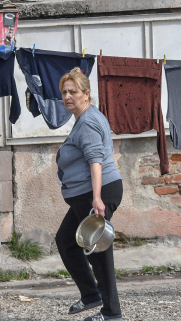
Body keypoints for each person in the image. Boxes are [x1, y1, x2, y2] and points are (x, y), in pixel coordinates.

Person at [55, 67, 124, 321]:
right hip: (88, 193)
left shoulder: (87, 122)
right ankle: (91, 294)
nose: (67, 96)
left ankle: (111, 312)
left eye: (73, 91)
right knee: (66, 240)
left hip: (95, 192)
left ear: (87, 94)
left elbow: (96, 161)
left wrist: (96, 198)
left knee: (98, 252)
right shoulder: (86, 119)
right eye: (64, 92)